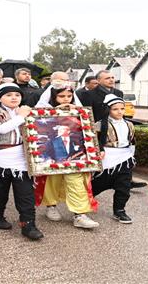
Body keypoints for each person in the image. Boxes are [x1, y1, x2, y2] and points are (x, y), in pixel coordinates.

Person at [0, 83, 44, 240]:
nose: (14, 98)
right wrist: (21, 116)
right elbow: (2, 129)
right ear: (0, 98)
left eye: (17, 95)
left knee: (26, 194)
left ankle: (28, 224)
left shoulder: (24, 111)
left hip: (21, 159)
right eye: (9, 95)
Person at [35, 84, 100, 229]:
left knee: (76, 182)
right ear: (54, 97)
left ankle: (80, 215)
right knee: (52, 181)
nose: (66, 99)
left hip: (75, 157)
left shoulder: (79, 113)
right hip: (53, 157)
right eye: (61, 96)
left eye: (69, 96)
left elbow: (87, 132)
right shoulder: (42, 113)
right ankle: (51, 206)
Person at [92, 94, 136, 224]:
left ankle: (119, 210)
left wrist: (133, 157)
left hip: (125, 158)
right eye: (115, 109)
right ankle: (83, 202)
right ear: (108, 110)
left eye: (122, 109)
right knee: (98, 184)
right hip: (107, 159)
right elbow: (93, 141)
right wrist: (99, 151)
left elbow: (132, 142)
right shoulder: (100, 125)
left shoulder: (129, 124)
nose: (119, 112)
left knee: (124, 186)